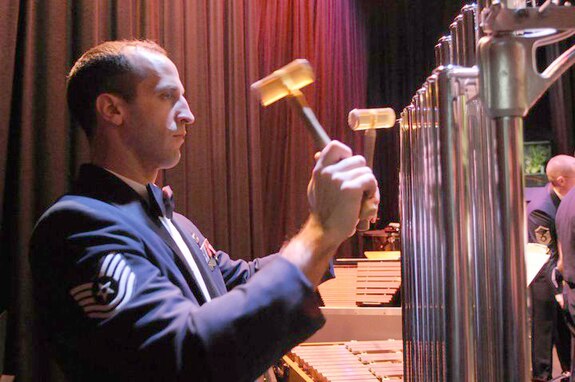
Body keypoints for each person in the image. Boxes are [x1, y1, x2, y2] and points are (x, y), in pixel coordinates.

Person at [28, 40, 379, 381]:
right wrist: (320, 231)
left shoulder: (174, 222)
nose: (189, 114)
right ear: (113, 110)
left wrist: (337, 225)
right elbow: (183, 357)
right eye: (167, 96)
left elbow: (244, 280)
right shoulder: (78, 226)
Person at [528, 155, 575, 381]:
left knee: (564, 327)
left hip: (560, 271)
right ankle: (541, 375)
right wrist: (558, 290)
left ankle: (567, 368)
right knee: (545, 327)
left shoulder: (564, 200)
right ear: (562, 180)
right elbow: (546, 253)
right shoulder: (542, 208)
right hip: (543, 275)